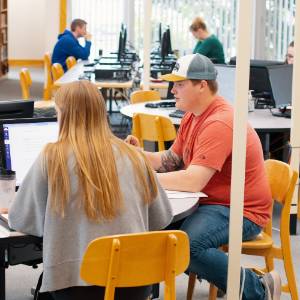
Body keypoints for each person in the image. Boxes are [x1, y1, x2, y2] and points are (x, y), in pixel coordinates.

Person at [126, 53, 281, 300]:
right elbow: (171, 160)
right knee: (150, 226)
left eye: (180, 84)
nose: (172, 90)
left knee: (189, 247)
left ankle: (258, 288)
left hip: (241, 210)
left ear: (202, 85)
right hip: (212, 201)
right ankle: (221, 278)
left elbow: (192, 181)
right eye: (173, 84)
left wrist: (142, 178)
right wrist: (135, 156)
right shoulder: (193, 114)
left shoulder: (219, 122)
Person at [8, 81, 173, 300]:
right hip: (136, 285)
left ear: (64, 116)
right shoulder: (134, 155)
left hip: (76, 287)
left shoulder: (52, 157)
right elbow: (161, 217)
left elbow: (22, 220)